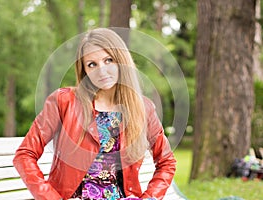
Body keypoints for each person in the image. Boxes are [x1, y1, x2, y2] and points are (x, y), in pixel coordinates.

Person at [13, 27, 176, 200]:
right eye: (92, 64)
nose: (102, 71)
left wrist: (150, 198)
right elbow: (24, 155)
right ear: (84, 71)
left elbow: (167, 162)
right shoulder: (63, 101)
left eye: (109, 60)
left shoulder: (143, 108)